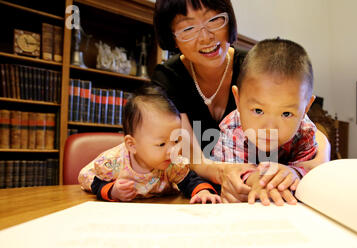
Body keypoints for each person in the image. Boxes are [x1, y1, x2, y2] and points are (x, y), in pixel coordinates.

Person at [151, 0, 330, 203]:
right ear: (172, 37)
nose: (206, 37)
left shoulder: (255, 69)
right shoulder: (169, 79)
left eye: (214, 19)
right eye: (189, 28)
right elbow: (190, 155)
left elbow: (309, 132)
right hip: (205, 188)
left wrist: (301, 169)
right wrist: (240, 176)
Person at [212, 38, 317, 206]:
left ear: (306, 108)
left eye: (286, 113)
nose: (269, 128)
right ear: (238, 100)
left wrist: (295, 172)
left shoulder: (305, 130)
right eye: (258, 111)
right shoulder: (232, 128)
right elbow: (236, 172)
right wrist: (258, 181)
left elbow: (311, 168)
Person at [78, 84, 221, 204]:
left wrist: (203, 191)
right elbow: (97, 183)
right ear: (132, 145)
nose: (172, 150)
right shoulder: (113, 162)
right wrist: (113, 190)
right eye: (161, 144)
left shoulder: (172, 164)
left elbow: (190, 179)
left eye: (176, 141)